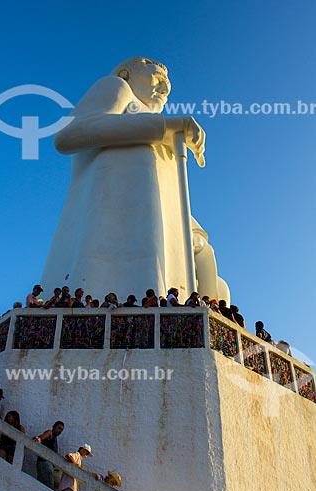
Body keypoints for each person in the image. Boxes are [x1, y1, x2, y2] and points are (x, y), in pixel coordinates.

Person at [41, 57, 206, 305]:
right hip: (108, 228)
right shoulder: (117, 87)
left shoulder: (161, 133)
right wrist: (167, 125)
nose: (163, 90)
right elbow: (68, 136)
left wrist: (194, 230)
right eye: (157, 80)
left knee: (204, 259)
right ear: (126, 75)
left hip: (152, 239)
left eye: (168, 88)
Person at [34, 421, 65, 490]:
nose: (60, 431)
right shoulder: (50, 433)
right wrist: (39, 438)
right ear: (54, 427)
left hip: (46, 464)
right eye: (59, 428)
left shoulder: (54, 438)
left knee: (42, 485)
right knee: (49, 486)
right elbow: (43, 436)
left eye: (61, 430)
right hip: (44, 463)